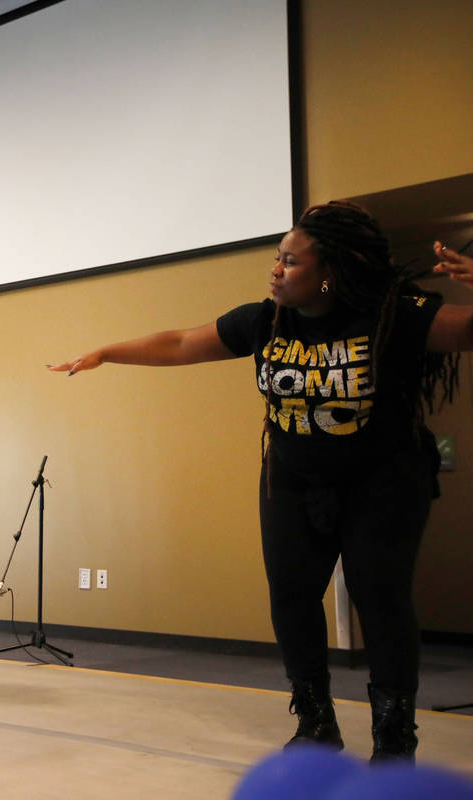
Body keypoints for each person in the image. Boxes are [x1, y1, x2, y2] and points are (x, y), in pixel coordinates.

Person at [49, 201, 473, 762]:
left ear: (331, 272)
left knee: (381, 600)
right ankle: (316, 723)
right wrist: (106, 353)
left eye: (291, 262)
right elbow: (181, 344)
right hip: (291, 480)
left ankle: (394, 739)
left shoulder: (394, 313)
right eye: (277, 257)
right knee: (292, 598)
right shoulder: (263, 320)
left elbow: (468, 332)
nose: (275, 270)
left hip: (382, 482)